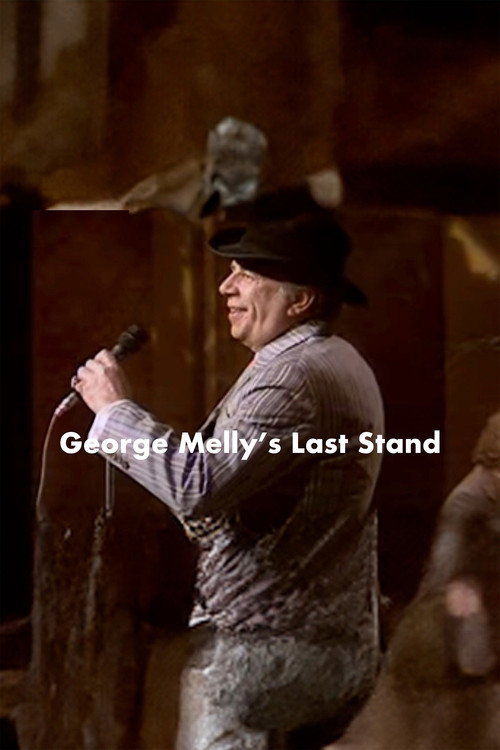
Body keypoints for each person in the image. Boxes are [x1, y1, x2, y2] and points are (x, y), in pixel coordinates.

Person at [73, 197, 384, 750]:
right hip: (316, 643)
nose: (226, 287)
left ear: (300, 300)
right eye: (231, 271)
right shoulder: (330, 360)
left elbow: (199, 486)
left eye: (248, 274)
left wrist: (114, 411)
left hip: (264, 652)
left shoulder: (293, 376)